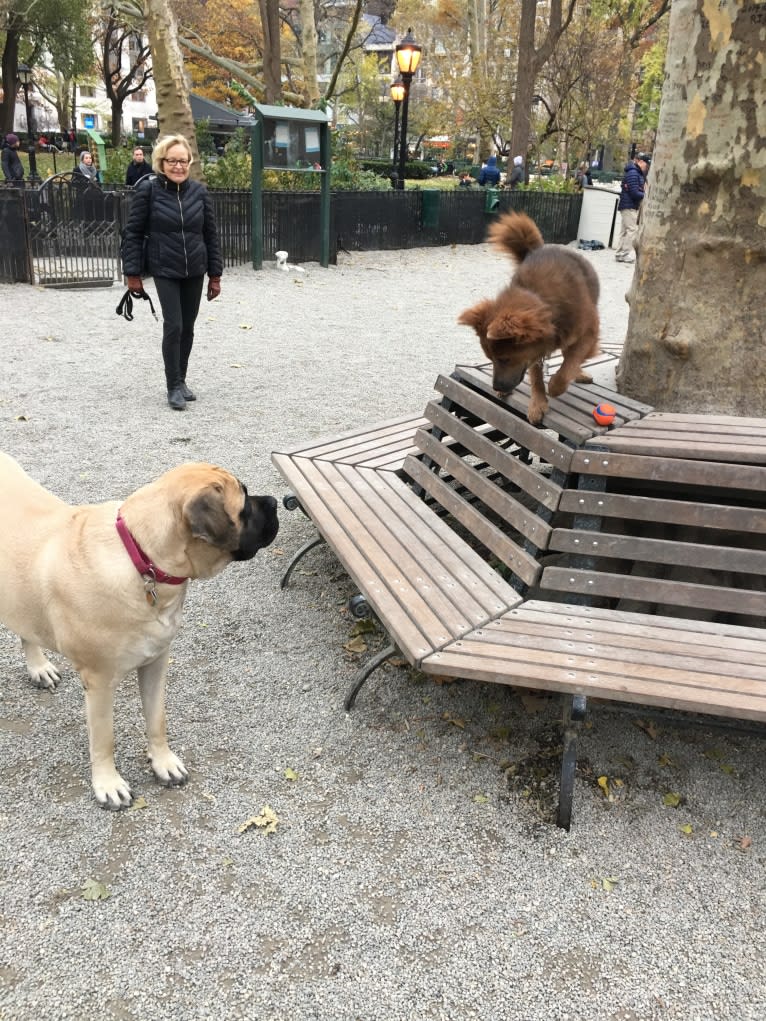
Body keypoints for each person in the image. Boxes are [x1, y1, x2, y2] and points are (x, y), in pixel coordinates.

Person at [121, 134, 222, 411]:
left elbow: (210, 235)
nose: (178, 166)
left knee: (188, 328)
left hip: (194, 270)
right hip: (164, 267)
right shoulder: (148, 191)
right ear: (161, 162)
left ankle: (183, 379)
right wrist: (132, 274)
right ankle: (172, 385)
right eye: (172, 160)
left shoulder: (199, 192)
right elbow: (133, 233)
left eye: (183, 161)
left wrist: (215, 275)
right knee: (174, 325)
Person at [615, 151, 651, 263]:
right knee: (632, 230)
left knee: (625, 230)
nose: (647, 166)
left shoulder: (635, 172)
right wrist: (646, 196)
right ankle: (624, 254)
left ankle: (620, 254)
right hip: (629, 205)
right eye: (646, 163)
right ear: (640, 162)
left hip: (627, 205)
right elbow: (634, 192)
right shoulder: (633, 173)